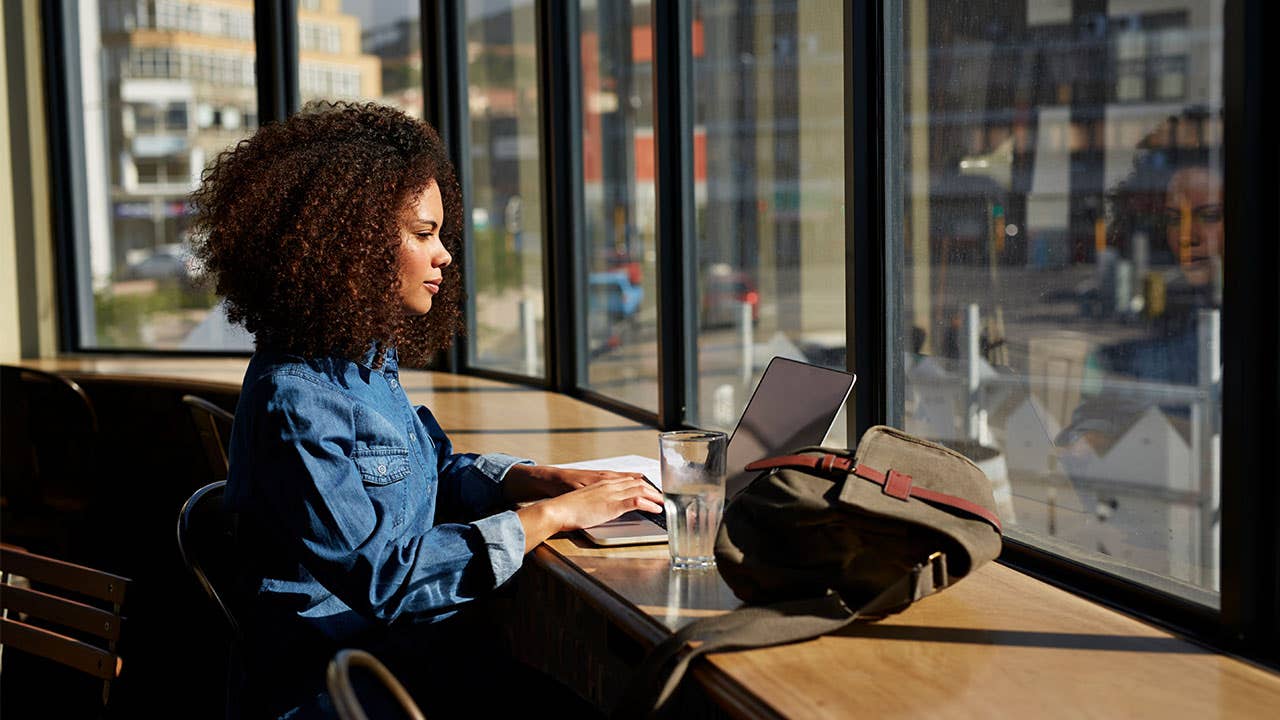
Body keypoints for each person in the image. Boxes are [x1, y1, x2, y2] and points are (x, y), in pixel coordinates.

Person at [189, 102, 662, 718]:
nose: (443, 255)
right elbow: (385, 577)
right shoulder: (297, 400)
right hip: (342, 689)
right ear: (349, 242)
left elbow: (427, 472)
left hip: (404, 656)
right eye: (422, 234)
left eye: (441, 233)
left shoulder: (363, 362)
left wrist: (534, 479)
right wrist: (552, 516)